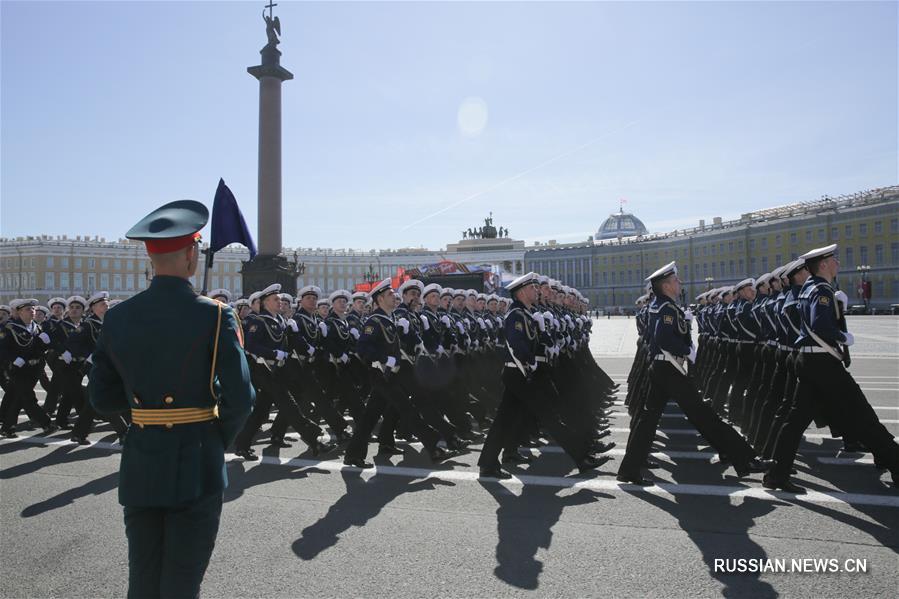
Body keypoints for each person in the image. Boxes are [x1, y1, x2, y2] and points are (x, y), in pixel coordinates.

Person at [88, 199, 255, 598]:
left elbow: (101, 397)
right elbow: (241, 398)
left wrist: (143, 414)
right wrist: (216, 438)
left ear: (151, 256)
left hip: (142, 460)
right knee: (181, 583)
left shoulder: (117, 317)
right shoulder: (216, 315)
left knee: (143, 583)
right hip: (197, 460)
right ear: (192, 253)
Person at [616, 262, 769, 485]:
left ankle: (628, 470)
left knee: (648, 421)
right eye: (676, 280)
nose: (680, 283)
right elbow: (663, 338)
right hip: (669, 369)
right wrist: (687, 350)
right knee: (702, 414)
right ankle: (746, 458)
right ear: (667, 285)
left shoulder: (661, 305)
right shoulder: (666, 308)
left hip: (661, 368)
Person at [764, 244, 899, 492]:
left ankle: (777, 473)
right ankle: (893, 460)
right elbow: (820, 325)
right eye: (833, 259)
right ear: (823, 265)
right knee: (861, 411)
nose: (838, 262)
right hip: (822, 363)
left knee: (796, 420)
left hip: (810, 361)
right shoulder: (821, 290)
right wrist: (842, 336)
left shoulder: (808, 289)